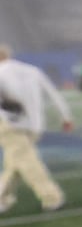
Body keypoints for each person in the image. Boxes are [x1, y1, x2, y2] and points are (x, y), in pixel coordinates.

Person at [0, 43, 74, 212]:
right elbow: (53, 93)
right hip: (35, 126)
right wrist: (66, 116)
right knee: (15, 163)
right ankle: (2, 198)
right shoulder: (32, 70)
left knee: (28, 163)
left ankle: (52, 198)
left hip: (9, 125)